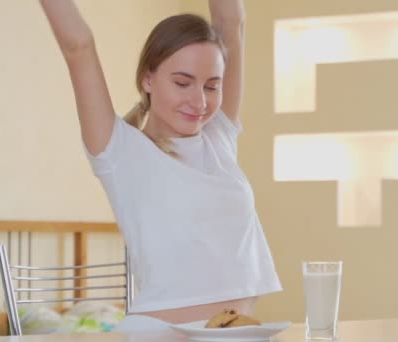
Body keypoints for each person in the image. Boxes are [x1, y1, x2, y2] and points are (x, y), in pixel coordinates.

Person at [39, 0, 283, 332]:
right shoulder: (120, 151)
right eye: (182, 83)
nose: (199, 102)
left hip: (236, 335)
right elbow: (78, 44)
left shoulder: (219, 139)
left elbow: (231, 21)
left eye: (212, 86)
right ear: (148, 79)